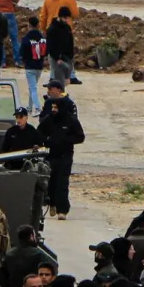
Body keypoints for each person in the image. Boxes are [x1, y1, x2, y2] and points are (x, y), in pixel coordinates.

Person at [39, 80, 83, 219]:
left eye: (55, 108)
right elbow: (39, 132)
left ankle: (62, 210)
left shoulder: (70, 118)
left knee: (62, 183)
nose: (53, 110)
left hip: (65, 156)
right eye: (52, 107)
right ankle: (51, 203)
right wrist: (45, 141)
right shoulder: (48, 118)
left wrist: (66, 140)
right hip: (50, 155)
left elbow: (80, 136)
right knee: (50, 183)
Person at [45, 8, 75, 87]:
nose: (66, 20)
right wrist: (57, 58)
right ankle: (59, 96)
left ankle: (61, 95)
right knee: (60, 80)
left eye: (68, 18)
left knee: (65, 81)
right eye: (65, 18)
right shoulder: (52, 29)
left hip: (67, 57)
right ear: (60, 17)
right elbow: (50, 45)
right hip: (56, 59)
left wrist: (71, 56)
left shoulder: (67, 27)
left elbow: (70, 42)